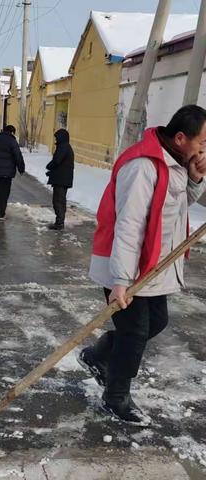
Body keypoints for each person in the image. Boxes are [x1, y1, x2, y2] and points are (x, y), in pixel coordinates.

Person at [79, 105, 206, 426]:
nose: (205, 149)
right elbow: (129, 224)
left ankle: (99, 354)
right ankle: (116, 396)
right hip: (125, 265)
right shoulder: (143, 166)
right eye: (202, 143)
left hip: (153, 264)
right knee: (134, 333)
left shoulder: (174, 162)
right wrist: (120, 280)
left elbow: (176, 206)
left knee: (156, 322)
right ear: (180, 138)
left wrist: (195, 179)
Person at [46, 128, 74, 230]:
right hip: (63, 178)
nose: (55, 140)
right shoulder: (65, 147)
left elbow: (57, 161)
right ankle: (60, 221)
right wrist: (51, 172)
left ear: (61, 138)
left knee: (58, 201)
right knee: (60, 200)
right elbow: (61, 164)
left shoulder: (63, 147)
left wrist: (49, 166)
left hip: (61, 180)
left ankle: (59, 223)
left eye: (57, 137)